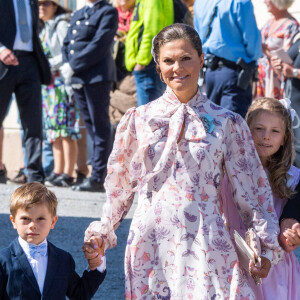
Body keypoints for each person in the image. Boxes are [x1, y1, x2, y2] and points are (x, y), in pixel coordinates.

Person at [84, 24, 284, 299]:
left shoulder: (228, 123)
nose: (177, 67)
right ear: (157, 65)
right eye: (168, 60)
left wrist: (265, 246)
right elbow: (119, 188)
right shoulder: (138, 120)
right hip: (150, 242)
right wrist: (103, 233)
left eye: (186, 58)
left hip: (207, 240)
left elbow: (253, 191)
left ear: (202, 60)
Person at [221, 97, 300, 299]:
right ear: (246, 130)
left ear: (284, 138)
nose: (266, 136)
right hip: (234, 257)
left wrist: (293, 231)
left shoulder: (291, 177)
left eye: (275, 131)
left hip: (275, 264)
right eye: (259, 129)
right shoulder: (228, 171)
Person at [0, 182, 106, 299]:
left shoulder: (63, 259)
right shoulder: (3, 260)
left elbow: (79, 294)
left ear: (53, 221)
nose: (33, 225)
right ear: (13, 220)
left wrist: (96, 266)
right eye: (25, 218)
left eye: (40, 219)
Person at [61, 0, 118, 192]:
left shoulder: (108, 11)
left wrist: (73, 64)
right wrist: (66, 64)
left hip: (97, 77)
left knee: (100, 127)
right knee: (91, 127)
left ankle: (98, 177)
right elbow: (68, 42)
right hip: (78, 77)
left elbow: (99, 44)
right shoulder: (79, 13)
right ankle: (98, 175)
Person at [0, 0, 52, 183]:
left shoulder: (31, 1)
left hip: (30, 63)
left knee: (33, 122)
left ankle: (34, 174)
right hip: (2, 63)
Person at [37, 0, 80, 188]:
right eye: (38, 3)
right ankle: (58, 170)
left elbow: (67, 53)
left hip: (62, 83)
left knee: (66, 129)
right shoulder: (45, 27)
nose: (41, 7)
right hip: (49, 85)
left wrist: (47, 65)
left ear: (55, 6)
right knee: (54, 130)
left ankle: (69, 173)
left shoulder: (61, 24)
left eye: (46, 3)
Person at [193, 0, 262, 118]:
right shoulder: (241, 2)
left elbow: (198, 38)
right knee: (233, 127)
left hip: (210, 72)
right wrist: (254, 60)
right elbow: (252, 41)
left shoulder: (200, 2)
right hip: (234, 74)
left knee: (212, 124)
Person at [124, 0, 173, 106]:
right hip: (148, 61)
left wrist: (141, 61)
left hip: (147, 63)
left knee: (147, 115)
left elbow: (152, 31)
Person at [256, 0, 299, 99]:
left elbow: (287, 59)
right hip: (261, 77)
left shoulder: (291, 26)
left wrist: (266, 51)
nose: (264, 2)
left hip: (275, 80)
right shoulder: (269, 22)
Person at [271, 32, 300, 167]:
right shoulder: (297, 35)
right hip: (293, 106)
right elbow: (287, 68)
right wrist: (278, 66)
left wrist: (295, 72)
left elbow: (293, 70)